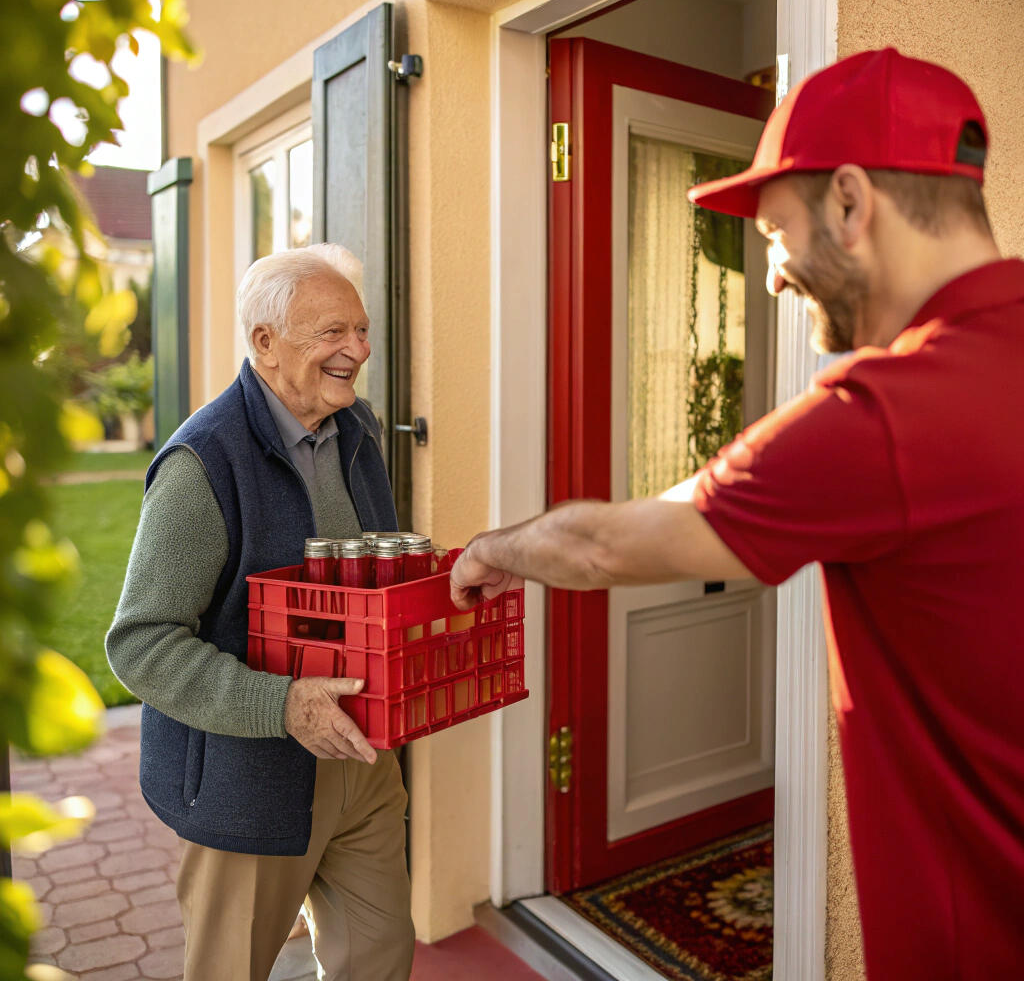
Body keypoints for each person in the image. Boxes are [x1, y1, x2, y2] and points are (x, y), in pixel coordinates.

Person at [449, 48, 1024, 980]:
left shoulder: (885, 419)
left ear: (849, 201)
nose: (770, 277)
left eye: (772, 236)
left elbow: (603, 546)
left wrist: (493, 549)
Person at [106, 244, 415, 981]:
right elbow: (141, 645)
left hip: (363, 763)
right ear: (265, 343)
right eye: (332, 332)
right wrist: (282, 705)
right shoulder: (203, 463)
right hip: (249, 778)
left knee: (380, 958)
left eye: (362, 331)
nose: (358, 351)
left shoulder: (357, 431)